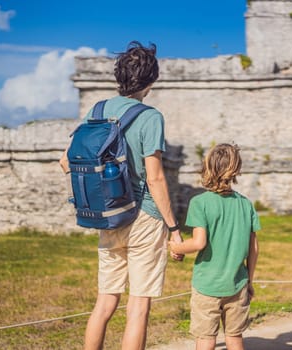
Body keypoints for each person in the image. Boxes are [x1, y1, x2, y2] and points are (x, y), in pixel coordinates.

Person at [59, 41, 183, 350]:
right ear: (151, 81)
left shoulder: (97, 110)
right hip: (145, 215)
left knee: (104, 303)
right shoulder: (151, 117)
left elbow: (66, 161)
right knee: (138, 307)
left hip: (108, 215)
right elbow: (154, 177)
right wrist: (174, 228)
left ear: (119, 77)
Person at [169, 143, 260, 350]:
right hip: (238, 284)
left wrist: (175, 247)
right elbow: (254, 248)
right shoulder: (245, 204)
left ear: (207, 167)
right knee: (235, 338)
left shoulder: (200, 202)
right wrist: (249, 281)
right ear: (236, 169)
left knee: (206, 339)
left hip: (207, 286)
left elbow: (199, 242)